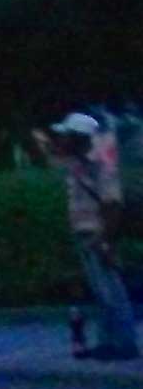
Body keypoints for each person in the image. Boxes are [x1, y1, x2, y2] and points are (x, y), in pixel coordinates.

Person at [35, 113, 137, 362]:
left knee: (112, 291)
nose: (63, 140)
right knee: (102, 292)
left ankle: (124, 344)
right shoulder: (78, 164)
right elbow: (53, 155)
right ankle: (107, 343)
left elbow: (113, 205)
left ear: (78, 138)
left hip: (97, 236)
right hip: (86, 235)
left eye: (67, 136)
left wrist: (104, 240)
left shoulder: (99, 166)